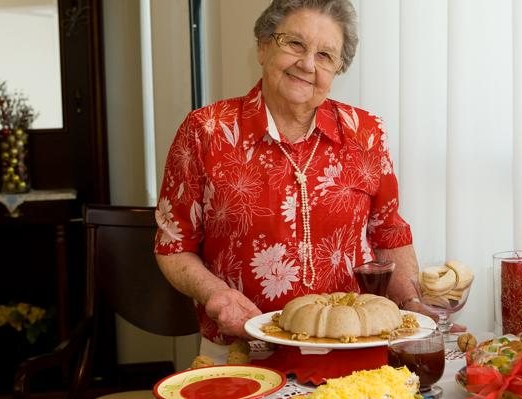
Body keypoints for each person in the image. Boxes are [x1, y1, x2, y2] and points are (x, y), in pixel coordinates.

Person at [155, 0, 435, 361]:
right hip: (242, 350)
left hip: (352, 349)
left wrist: (413, 304)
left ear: (337, 70)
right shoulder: (206, 131)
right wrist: (215, 294)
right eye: (295, 44)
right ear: (262, 46)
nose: (307, 64)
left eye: (325, 56)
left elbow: (389, 234)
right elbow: (173, 245)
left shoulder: (366, 133)